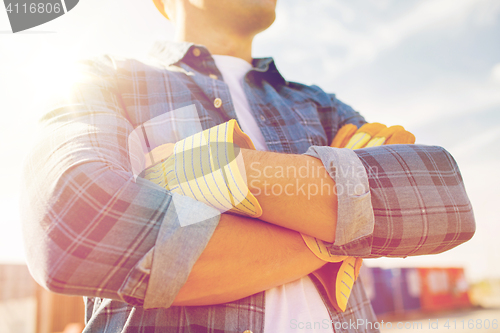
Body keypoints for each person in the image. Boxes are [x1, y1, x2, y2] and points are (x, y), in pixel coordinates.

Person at [20, 0, 476, 332]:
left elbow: (440, 200)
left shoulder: (320, 105)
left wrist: (209, 173)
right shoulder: (104, 80)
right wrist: (345, 227)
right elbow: (76, 226)